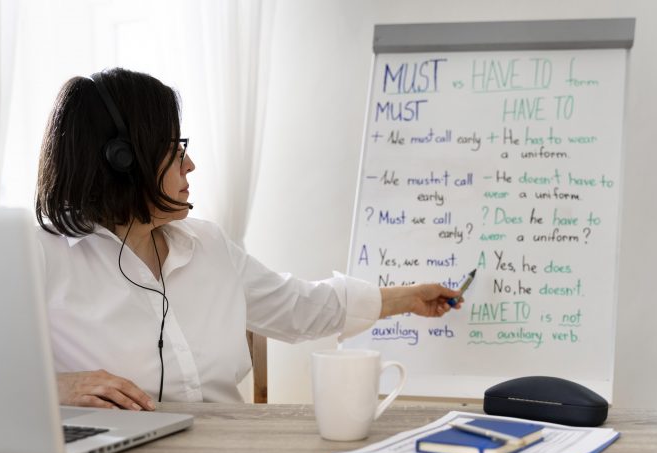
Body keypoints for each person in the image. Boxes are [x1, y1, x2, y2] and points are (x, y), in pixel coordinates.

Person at [35, 68, 461, 411]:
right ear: (122, 161)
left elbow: (298, 308)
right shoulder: (38, 258)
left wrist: (408, 298)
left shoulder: (207, 245)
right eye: (174, 149)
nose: (191, 165)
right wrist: (54, 387)